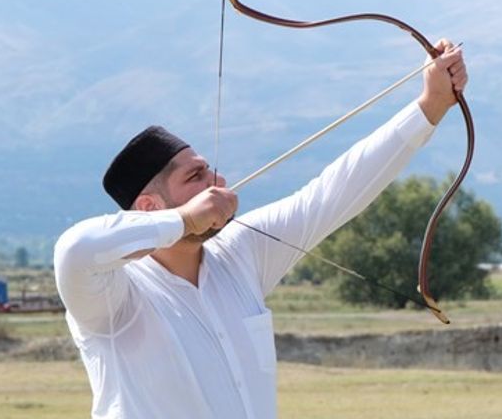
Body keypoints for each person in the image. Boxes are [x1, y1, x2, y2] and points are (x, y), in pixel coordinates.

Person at [54, 42, 467, 418]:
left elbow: (332, 194)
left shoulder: (240, 251)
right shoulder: (112, 298)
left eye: (210, 169)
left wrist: (430, 105)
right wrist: (184, 221)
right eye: (196, 176)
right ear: (149, 207)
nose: (217, 181)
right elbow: (74, 249)